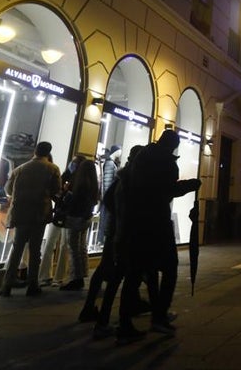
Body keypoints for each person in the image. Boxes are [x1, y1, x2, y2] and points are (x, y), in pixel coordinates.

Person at [114, 129, 201, 344]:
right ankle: (159, 316)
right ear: (172, 145)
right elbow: (165, 190)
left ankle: (126, 322)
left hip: (135, 221)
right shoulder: (164, 160)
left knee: (136, 273)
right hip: (156, 222)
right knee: (169, 267)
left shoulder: (143, 157)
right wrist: (190, 185)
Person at [80, 144, 143, 339]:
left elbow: (108, 200)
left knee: (107, 272)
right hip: (121, 235)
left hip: (115, 232)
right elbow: (116, 204)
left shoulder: (122, 176)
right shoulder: (128, 179)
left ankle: (94, 311)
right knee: (120, 276)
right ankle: (113, 321)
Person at [0, 141, 61, 297]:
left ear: (35, 151)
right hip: (39, 214)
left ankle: (7, 284)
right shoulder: (52, 169)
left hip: (21, 213)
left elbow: (8, 189)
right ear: (48, 152)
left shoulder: (21, 168)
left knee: (17, 249)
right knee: (35, 250)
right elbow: (56, 190)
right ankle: (33, 284)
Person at [59, 155, 99, 291]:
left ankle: (75, 277)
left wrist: (67, 195)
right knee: (81, 247)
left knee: (73, 248)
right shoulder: (93, 184)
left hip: (75, 218)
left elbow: (73, 201)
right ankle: (81, 273)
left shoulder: (81, 184)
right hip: (85, 218)